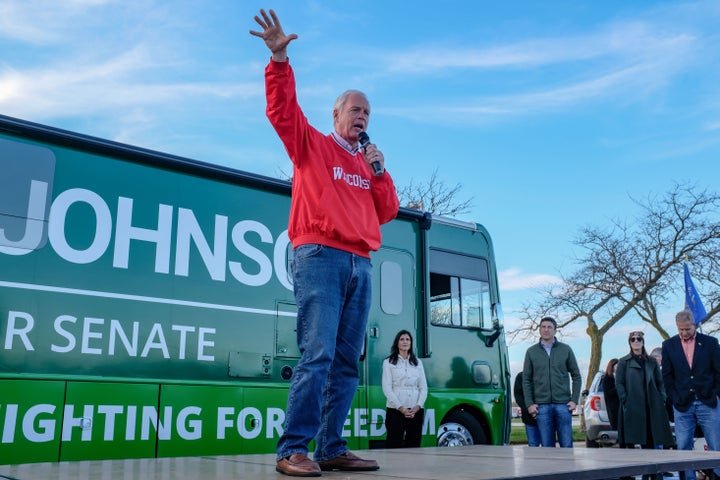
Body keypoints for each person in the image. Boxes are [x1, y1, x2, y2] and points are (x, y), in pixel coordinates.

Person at [250, 8, 400, 477]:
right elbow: (280, 111)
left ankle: (332, 447)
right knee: (316, 355)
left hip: (360, 262)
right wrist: (279, 60)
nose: (363, 116)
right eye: (356, 109)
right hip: (319, 255)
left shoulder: (366, 164)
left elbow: (388, 211)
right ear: (336, 114)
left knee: (346, 364)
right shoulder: (312, 145)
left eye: (368, 112)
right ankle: (292, 449)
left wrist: (379, 170)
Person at [662, 309, 720, 480]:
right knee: (683, 446)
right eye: (680, 329)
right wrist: (673, 396)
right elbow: (667, 375)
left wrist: (716, 394)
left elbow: (718, 371)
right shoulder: (669, 345)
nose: (684, 333)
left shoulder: (710, 343)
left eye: (687, 329)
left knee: (715, 445)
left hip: (708, 401)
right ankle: (688, 478)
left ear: (694, 325)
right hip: (682, 403)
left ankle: (716, 476)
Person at [616, 331, 673, 480]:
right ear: (629, 342)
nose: (636, 341)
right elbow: (619, 383)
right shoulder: (624, 362)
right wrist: (625, 399)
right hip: (635, 407)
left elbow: (660, 383)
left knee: (655, 441)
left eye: (639, 339)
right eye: (633, 339)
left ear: (643, 341)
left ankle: (655, 474)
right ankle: (644, 474)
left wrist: (662, 398)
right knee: (639, 442)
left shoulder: (651, 361)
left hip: (653, 406)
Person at [522, 316, 582, 448]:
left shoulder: (565, 349)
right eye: (543, 327)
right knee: (547, 447)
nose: (546, 330)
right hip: (541, 406)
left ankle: (569, 469)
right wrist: (529, 404)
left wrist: (574, 400)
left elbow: (576, 376)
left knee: (566, 445)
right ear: (539, 330)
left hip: (563, 405)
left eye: (549, 327)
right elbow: (526, 380)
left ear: (555, 330)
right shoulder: (531, 352)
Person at [382, 330, 428, 448]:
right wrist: (401, 408)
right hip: (395, 410)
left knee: (414, 444)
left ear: (411, 343)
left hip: (415, 411)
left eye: (408, 339)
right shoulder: (388, 362)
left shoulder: (418, 363)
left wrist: (418, 406)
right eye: (402, 339)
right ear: (397, 343)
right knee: (394, 444)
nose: (405, 342)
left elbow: (423, 387)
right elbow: (387, 388)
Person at [513, 371, 540, 447]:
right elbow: (518, 396)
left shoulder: (544, 375)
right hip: (529, 416)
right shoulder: (521, 376)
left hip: (545, 414)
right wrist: (528, 408)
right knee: (533, 444)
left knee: (548, 444)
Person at [602, 358, 620, 431]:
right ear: (612, 367)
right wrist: (618, 387)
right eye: (616, 366)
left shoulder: (621, 377)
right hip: (613, 407)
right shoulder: (607, 378)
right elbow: (608, 393)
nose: (618, 368)